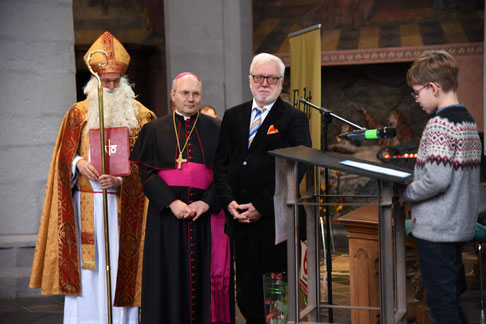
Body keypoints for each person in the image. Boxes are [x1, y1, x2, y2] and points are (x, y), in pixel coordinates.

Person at [29, 31, 156, 324]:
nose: (110, 87)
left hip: (124, 208)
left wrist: (122, 181)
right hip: (86, 205)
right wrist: (78, 163)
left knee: (121, 267)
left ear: (124, 82)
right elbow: (61, 159)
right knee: (90, 272)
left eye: (115, 82)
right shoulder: (78, 114)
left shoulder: (140, 116)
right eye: (105, 82)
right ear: (94, 81)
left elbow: (147, 165)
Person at [213, 53, 312, 323]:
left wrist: (261, 206)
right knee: (246, 295)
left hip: (276, 224)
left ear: (281, 82)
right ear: (250, 80)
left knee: (277, 299)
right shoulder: (233, 116)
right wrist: (228, 201)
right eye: (259, 77)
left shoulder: (294, 118)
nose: (264, 83)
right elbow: (221, 164)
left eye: (271, 78)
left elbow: (297, 168)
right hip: (239, 222)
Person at [129, 72, 232, 323]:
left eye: (196, 93)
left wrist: (207, 202)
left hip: (204, 218)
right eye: (185, 93)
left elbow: (226, 172)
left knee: (203, 277)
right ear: (173, 95)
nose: (191, 98)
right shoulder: (153, 130)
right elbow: (146, 173)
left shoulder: (217, 128)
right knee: (166, 277)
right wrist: (172, 202)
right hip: (166, 217)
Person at [402, 50, 482, 323]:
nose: (416, 99)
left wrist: (408, 191)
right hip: (458, 226)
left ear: (433, 87)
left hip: (437, 230)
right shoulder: (468, 122)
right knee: (451, 299)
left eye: (417, 92)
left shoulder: (438, 125)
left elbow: (437, 180)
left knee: (441, 306)